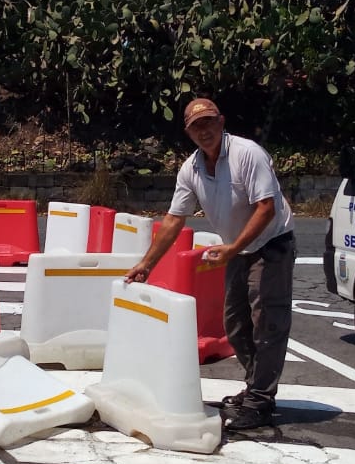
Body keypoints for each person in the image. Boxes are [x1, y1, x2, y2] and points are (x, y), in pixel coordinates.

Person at [124, 98, 297, 431]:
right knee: (234, 324)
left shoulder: (249, 155)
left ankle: (260, 401)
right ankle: (254, 388)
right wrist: (146, 263)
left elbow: (266, 208)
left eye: (208, 123)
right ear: (188, 132)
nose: (204, 131)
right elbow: (174, 220)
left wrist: (234, 248)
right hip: (236, 249)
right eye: (196, 126)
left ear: (222, 121)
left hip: (271, 244)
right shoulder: (191, 169)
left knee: (267, 323)